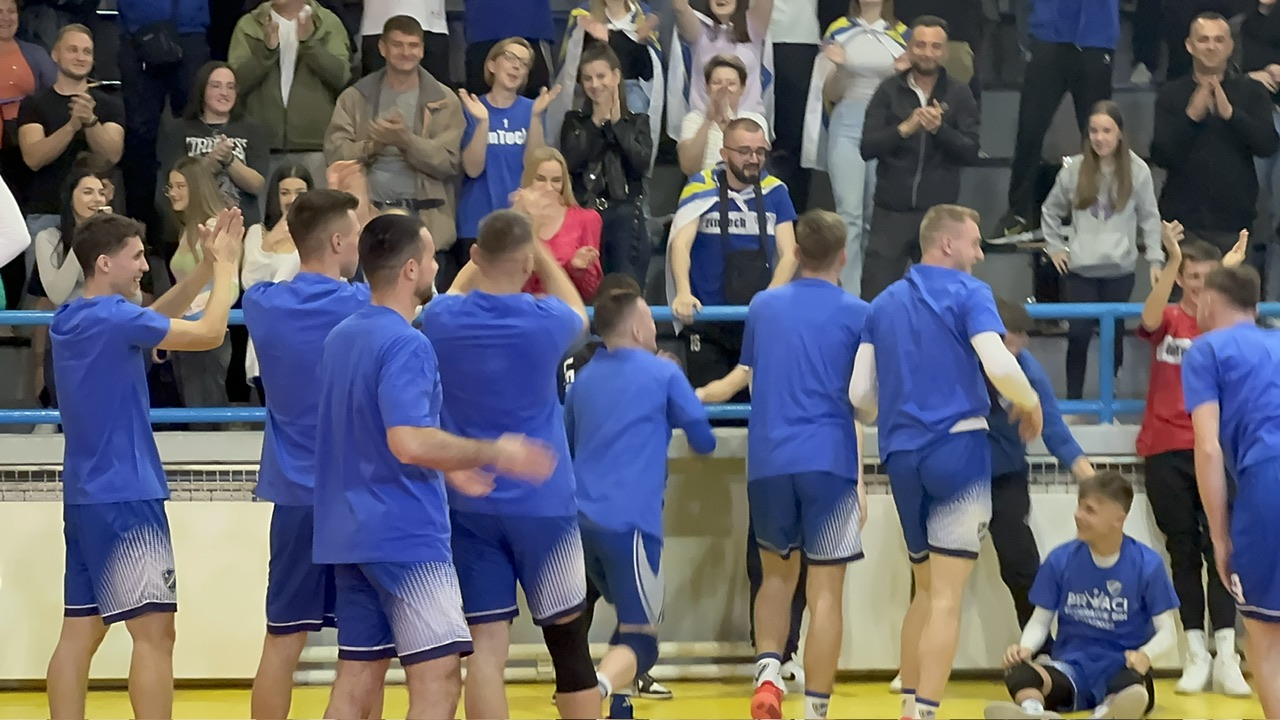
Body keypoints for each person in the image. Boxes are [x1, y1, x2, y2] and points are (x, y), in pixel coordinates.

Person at [312, 211, 556, 720]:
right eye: (428, 258)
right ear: (410, 270)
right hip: (403, 534)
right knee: (439, 678)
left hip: (346, 531)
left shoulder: (341, 336)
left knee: (357, 678)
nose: (435, 267)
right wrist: (494, 451)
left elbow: (369, 430)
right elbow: (407, 440)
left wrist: (448, 465)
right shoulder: (407, 342)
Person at [46, 209, 244, 720]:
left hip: (85, 497)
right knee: (156, 634)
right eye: (135, 257)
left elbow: (153, 317)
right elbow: (209, 333)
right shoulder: (115, 320)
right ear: (104, 263)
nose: (142, 266)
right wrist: (226, 267)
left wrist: (202, 270)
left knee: (79, 634)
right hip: (127, 494)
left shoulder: (71, 317)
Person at [849, 204, 1043, 720]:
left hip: (900, 455)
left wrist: (901, 403)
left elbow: (860, 395)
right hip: (958, 449)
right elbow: (998, 362)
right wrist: (1030, 401)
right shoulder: (971, 293)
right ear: (947, 243)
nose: (979, 255)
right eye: (975, 243)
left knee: (924, 587)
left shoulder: (882, 303)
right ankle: (924, 712)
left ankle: (908, 699)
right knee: (946, 599)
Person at [419, 205, 598, 720]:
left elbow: (452, 292)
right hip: (543, 501)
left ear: (475, 254)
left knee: (485, 651)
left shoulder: (442, 319)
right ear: (527, 263)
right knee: (569, 645)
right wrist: (537, 243)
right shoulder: (546, 321)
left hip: (470, 501)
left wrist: (482, 257)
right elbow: (579, 311)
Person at [697, 209, 869, 720]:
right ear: (844, 256)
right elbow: (863, 400)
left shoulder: (763, 306)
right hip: (830, 461)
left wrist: (699, 394)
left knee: (775, 578)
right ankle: (815, 708)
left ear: (794, 252)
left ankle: (768, 674)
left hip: (769, 460)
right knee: (826, 592)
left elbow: (744, 376)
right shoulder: (860, 313)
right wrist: (860, 480)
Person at [241, 188, 368, 720]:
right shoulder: (364, 305)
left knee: (281, 642)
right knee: (364, 653)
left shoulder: (261, 304)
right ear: (338, 241)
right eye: (355, 234)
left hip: (294, 498)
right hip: (356, 498)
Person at [564, 288, 716, 719]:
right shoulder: (663, 374)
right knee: (642, 639)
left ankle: (619, 705)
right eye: (649, 318)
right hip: (630, 523)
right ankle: (593, 693)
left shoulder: (583, 381)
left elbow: (569, 443)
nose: (655, 326)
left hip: (580, 522)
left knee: (625, 619)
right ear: (636, 328)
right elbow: (704, 440)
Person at [1137, 222, 1251, 697]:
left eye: (1209, 278)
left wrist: (1228, 268)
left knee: (1222, 550)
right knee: (1182, 550)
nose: (1200, 285)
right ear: (1182, 278)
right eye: (1193, 276)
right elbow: (1147, 320)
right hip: (1165, 448)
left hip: (1216, 449)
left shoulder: (1223, 329)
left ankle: (1227, 655)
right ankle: (1195, 653)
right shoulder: (1169, 318)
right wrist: (1172, 259)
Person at [983, 471, 1180, 720]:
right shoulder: (1060, 559)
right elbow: (1040, 621)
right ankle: (1032, 711)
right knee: (1019, 672)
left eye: (1090, 510)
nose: (1078, 515)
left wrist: (1146, 655)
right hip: (1071, 669)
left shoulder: (1147, 565)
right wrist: (1025, 648)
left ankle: (1108, 711)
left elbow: (1168, 631)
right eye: (1079, 506)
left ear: (1118, 519)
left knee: (1132, 686)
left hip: (1122, 667)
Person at [1183, 263, 1280, 718]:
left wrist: (1220, 537)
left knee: (1265, 635)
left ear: (1208, 300)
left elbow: (1207, 447)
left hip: (1267, 478)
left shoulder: (1205, 350)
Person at [1040, 100, 1163, 405]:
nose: (1099, 137)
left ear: (1120, 133)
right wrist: (1054, 247)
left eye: (1106, 130)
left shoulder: (1138, 170)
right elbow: (1050, 210)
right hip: (1080, 271)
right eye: (1094, 131)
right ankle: (1074, 402)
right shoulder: (1074, 169)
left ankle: (1110, 400)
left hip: (1119, 271)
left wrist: (1155, 259)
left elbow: (1150, 217)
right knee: (1078, 336)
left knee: (1113, 338)